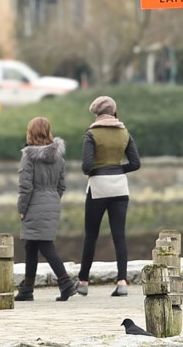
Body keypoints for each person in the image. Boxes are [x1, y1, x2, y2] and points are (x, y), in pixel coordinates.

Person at [75, 95, 142, 297]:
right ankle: (122, 281)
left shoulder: (91, 134)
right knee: (119, 236)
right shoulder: (124, 132)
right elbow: (136, 163)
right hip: (120, 188)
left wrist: (99, 169)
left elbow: (86, 167)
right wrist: (117, 168)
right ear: (113, 111)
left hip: (98, 188)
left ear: (96, 112)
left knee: (91, 235)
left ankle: (83, 281)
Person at [14, 116, 78, 302]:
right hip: (52, 203)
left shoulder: (28, 157)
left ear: (31, 132)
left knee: (45, 246)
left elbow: (25, 186)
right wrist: (52, 199)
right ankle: (27, 288)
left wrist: (22, 208)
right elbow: (62, 185)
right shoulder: (59, 158)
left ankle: (66, 283)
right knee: (31, 246)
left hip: (34, 204)